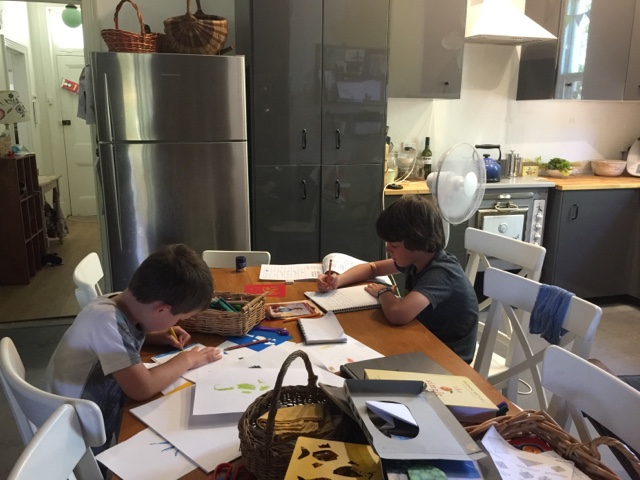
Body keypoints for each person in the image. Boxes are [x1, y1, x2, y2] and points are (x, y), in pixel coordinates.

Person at [44, 244, 222, 453]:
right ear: (161, 310)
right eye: (180, 318)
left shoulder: (121, 302)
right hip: (75, 435)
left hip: (83, 415)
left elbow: (118, 341)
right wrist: (188, 359)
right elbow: (141, 388)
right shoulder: (105, 322)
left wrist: (155, 336)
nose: (177, 323)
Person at [317, 195, 479, 364]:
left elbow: (397, 313)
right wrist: (339, 279)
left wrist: (383, 292)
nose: (388, 249)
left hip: (448, 359)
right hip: (423, 338)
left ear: (418, 240)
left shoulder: (441, 273)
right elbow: (373, 268)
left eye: (394, 245)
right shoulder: (418, 258)